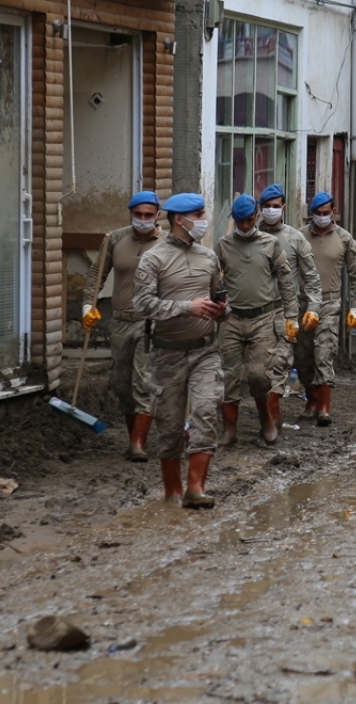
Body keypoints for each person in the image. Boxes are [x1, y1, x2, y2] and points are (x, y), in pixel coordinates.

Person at [132, 192, 227, 508]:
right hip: (167, 354)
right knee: (170, 425)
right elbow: (143, 304)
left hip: (205, 351)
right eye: (198, 215)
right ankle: (172, 491)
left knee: (205, 413)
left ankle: (195, 488)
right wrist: (187, 307)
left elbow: (217, 300)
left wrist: (220, 309)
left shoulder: (209, 257)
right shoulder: (153, 259)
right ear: (179, 219)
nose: (203, 220)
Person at [81, 191, 166, 462]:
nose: (142, 219)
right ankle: (134, 436)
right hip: (120, 321)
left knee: (144, 382)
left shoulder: (168, 244)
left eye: (148, 215)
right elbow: (97, 273)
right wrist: (87, 305)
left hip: (151, 322)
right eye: (137, 214)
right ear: (130, 213)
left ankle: (137, 444)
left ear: (158, 215)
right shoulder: (115, 238)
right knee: (120, 383)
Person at [214, 194, 299, 446]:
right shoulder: (223, 245)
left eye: (249, 221)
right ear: (234, 220)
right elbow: (213, 280)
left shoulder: (270, 244)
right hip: (231, 319)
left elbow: (286, 280)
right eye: (239, 222)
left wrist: (291, 315)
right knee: (229, 377)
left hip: (263, 318)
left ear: (257, 217)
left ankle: (267, 422)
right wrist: (216, 302)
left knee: (260, 375)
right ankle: (229, 430)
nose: (244, 226)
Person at [257, 184, 323, 425]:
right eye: (267, 207)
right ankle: (270, 412)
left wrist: (314, 308)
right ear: (260, 209)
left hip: (290, 311)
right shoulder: (251, 237)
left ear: (283, 208)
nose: (271, 211)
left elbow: (312, 278)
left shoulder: (296, 239)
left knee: (303, 358)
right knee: (266, 364)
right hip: (260, 311)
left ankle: (313, 399)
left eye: (276, 207)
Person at [298, 191, 356, 426]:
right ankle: (312, 399)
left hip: (330, 302)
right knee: (303, 355)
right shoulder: (300, 236)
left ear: (333, 212)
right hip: (304, 302)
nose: (322, 217)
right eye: (318, 213)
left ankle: (325, 406)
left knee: (323, 351)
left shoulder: (345, 239)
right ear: (311, 214)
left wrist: (355, 306)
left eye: (326, 213)